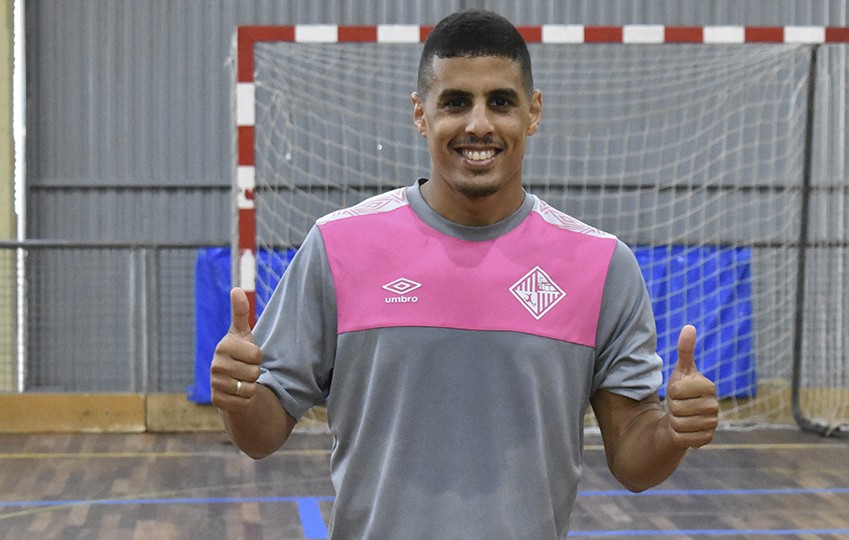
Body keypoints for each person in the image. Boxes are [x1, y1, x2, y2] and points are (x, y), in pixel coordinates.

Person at [211, 9, 719, 539]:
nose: (479, 124)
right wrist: (238, 397)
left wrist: (673, 431)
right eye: (456, 102)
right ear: (420, 114)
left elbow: (635, 463)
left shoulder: (601, 264)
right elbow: (260, 436)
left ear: (533, 112)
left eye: (500, 101)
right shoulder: (338, 245)